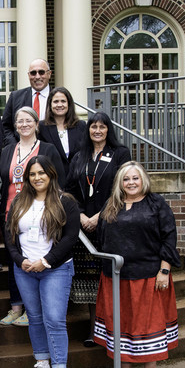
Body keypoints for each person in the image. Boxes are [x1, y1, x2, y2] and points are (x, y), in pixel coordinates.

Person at [94, 162, 180, 368]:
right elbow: (101, 236)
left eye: (135, 178)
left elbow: (169, 237)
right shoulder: (112, 204)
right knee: (122, 322)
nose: (131, 183)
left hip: (148, 275)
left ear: (143, 180)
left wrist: (164, 270)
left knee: (147, 323)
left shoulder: (156, 204)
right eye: (126, 179)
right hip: (116, 276)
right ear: (120, 183)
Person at [4, 156, 80, 368]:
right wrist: (19, 260)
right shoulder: (19, 201)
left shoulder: (64, 201)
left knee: (55, 319)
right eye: (32, 174)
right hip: (25, 269)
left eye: (41, 173)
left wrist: (46, 261)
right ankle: (43, 365)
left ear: (51, 174)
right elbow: (9, 235)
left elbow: (70, 238)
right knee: (34, 318)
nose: (37, 178)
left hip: (55, 269)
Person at [65, 111, 131, 345]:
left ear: (108, 130)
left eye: (102, 127)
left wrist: (98, 215)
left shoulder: (120, 154)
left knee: (109, 280)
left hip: (110, 223)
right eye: (93, 126)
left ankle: (115, 333)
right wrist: (82, 215)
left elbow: (122, 189)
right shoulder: (79, 156)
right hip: (83, 227)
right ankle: (95, 332)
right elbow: (70, 188)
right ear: (88, 130)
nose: (97, 131)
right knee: (90, 283)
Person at [0, 106, 65, 327]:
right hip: (11, 212)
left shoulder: (47, 149)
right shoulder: (8, 149)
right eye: (19, 121)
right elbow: (4, 181)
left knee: (35, 255)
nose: (23, 125)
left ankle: (31, 308)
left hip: (39, 212)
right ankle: (16, 307)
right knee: (14, 257)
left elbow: (58, 180)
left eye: (28, 121)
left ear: (37, 124)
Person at [39, 86, 87, 177]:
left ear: (69, 104)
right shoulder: (42, 127)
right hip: (53, 179)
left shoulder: (81, 125)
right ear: (50, 104)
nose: (59, 105)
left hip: (76, 178)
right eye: (56, 101)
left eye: (63, 101)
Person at [2, 58, 52, 145]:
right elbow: (5, 126)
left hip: (51, 152)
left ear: (49, 74)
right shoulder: (15, 97)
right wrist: (15, 146)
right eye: (33, 73)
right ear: (29, 75)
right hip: (21, 152)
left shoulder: (58, 99)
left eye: (41, 72)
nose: (37, 77)